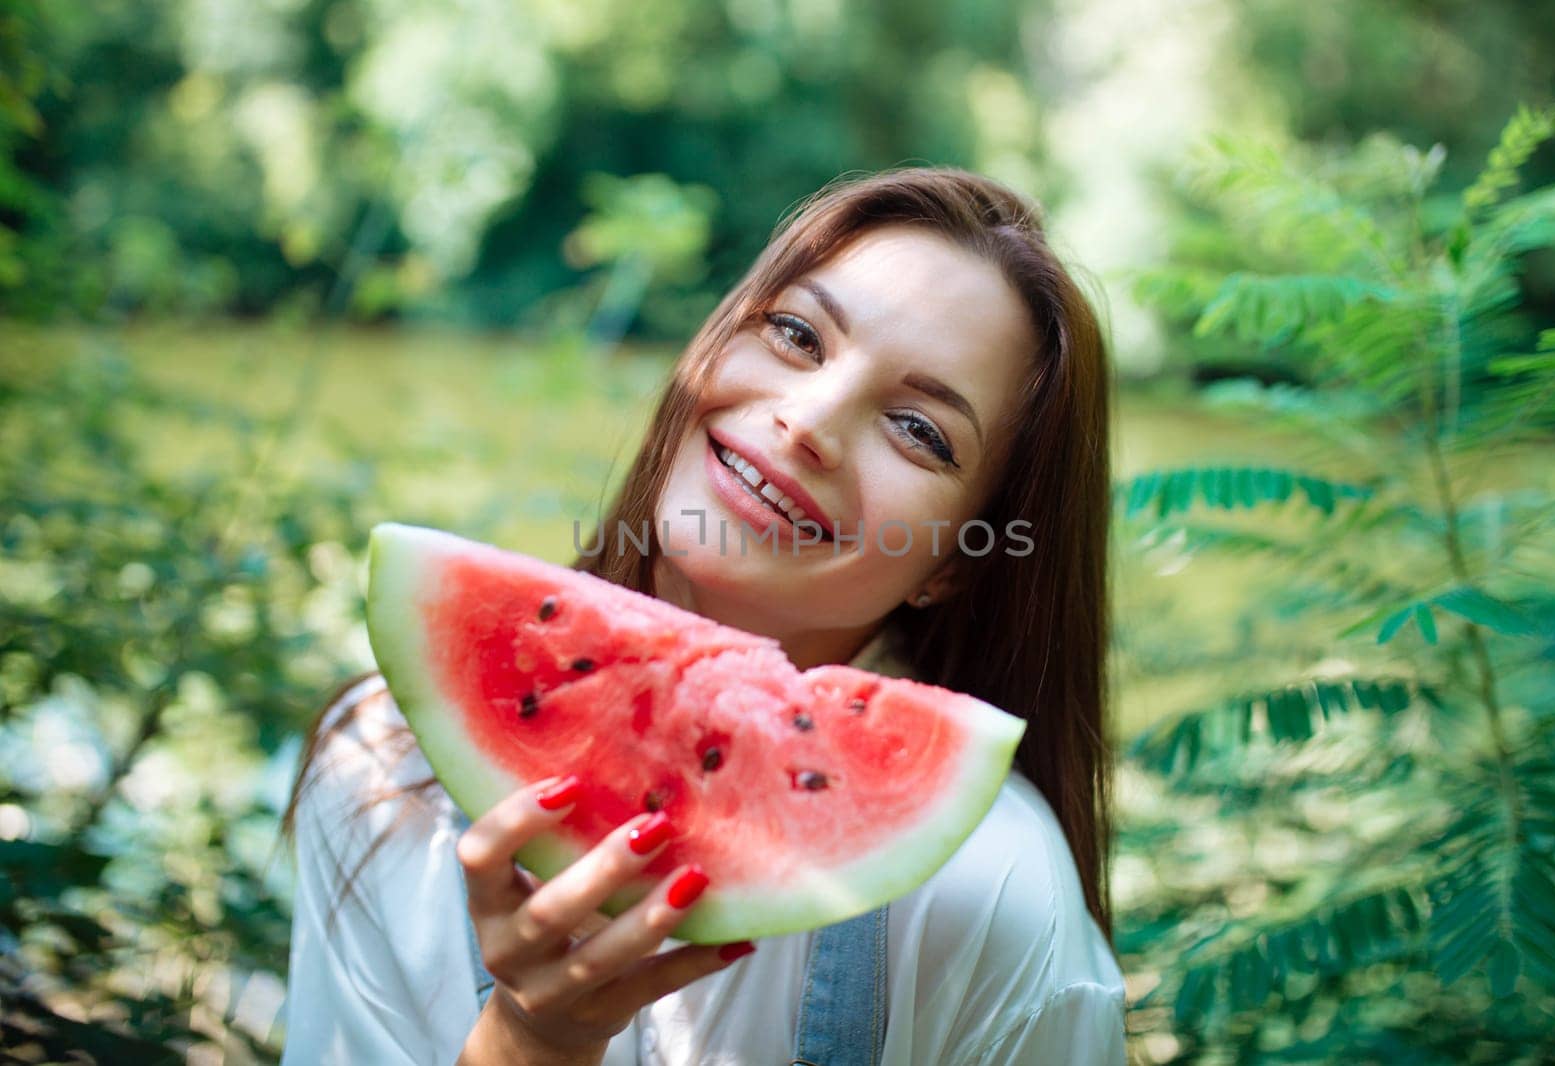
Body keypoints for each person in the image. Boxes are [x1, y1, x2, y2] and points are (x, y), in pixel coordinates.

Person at [278, 166, 1125, 1065]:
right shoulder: (383, 775)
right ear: (712, 345)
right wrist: (529, 1044)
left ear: (956, 561)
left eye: (919, 430)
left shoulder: (995, 893)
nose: (807, 420)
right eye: (797, 334)